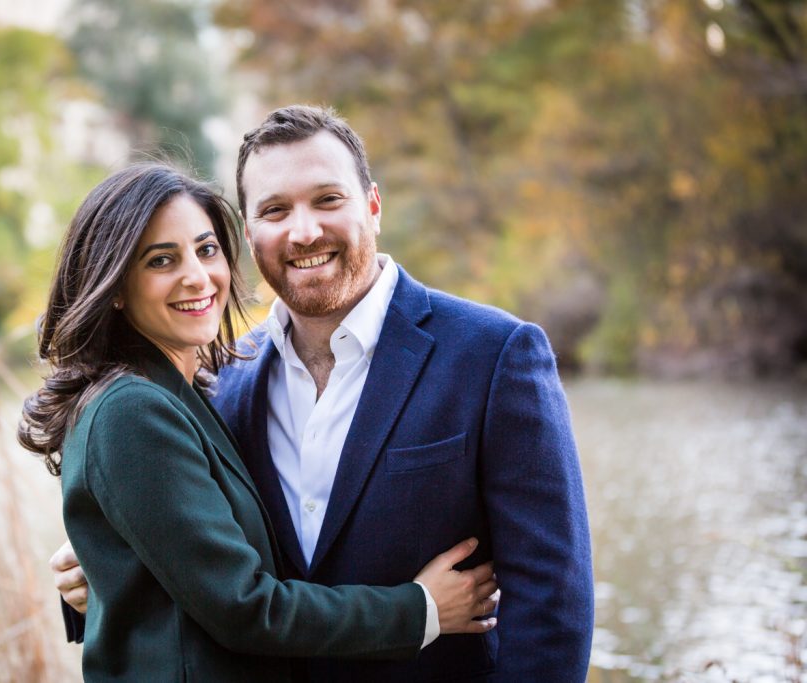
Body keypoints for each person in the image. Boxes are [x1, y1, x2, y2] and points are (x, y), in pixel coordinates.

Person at [52, 106, 595, 681]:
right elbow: (214, 574)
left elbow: (552, 599)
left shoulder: (494, 356)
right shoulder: (223, 381)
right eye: (275, 210)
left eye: (327, 200)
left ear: (374, 206)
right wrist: (108, 565)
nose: (303, 231)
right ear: (251, 231)